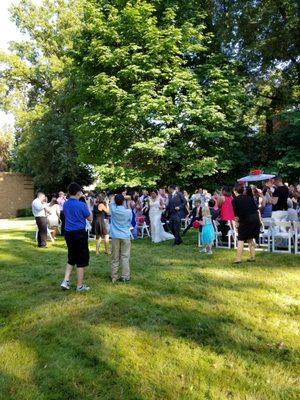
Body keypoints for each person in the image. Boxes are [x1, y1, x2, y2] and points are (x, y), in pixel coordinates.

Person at [60, 182, 92, 292]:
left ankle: (66, 281)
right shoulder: (81, 204)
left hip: (68, 233)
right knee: (81, 260)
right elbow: (90, 218)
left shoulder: (65, 204)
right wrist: (87, 204)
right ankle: (80, 286)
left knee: (71, 257)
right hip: (79, 233)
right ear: (78, 193)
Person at [232, 184, 260, 264]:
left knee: (241, 239)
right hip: (255, 218)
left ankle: (238, 259)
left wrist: (237, 224)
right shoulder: (249, 198)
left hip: (245, 220)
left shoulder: (235, 200)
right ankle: (252, 257)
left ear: (235, 191)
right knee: (250, 238)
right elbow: (255, 209)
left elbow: (236, 215)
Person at [110, 194, 132, 283]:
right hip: (125, 235)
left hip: (115, 236)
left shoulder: (113, 209)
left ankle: (114, 277)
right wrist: (125, 198)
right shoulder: (128, 212)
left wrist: (117, 196)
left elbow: (111, 200)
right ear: (123, 202)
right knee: (125, 256)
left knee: (115, 257)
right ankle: (125, 276)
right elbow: (130, 220)